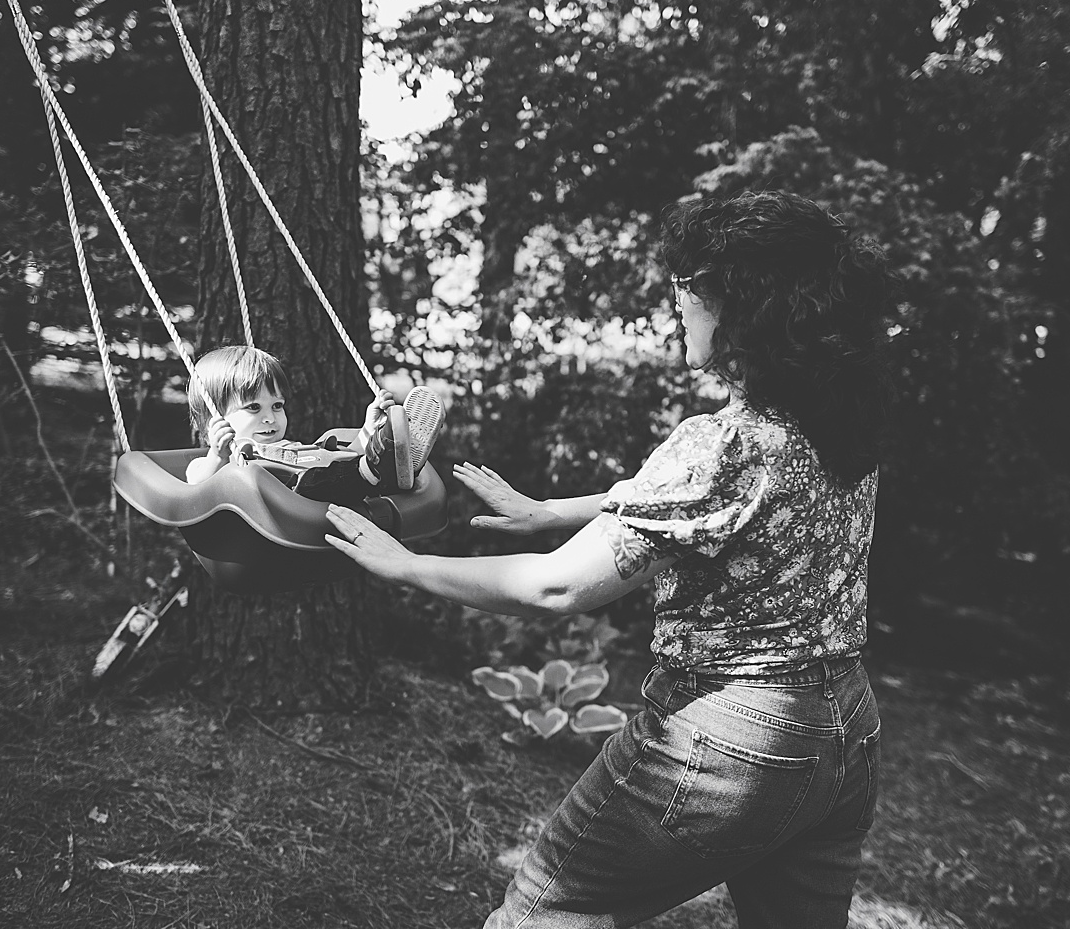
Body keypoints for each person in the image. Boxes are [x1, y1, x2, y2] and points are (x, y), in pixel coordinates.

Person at [324, 191, 894, 929]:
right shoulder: (836, 422)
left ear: (743, 305)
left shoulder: (720, 443)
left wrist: (404, 565)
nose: (676, 299)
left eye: (689, 283)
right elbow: (710, 507)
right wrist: (552, 511)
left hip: (732, 738)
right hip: (845, 730)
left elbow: (556, 585)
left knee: (541, 917)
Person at [184, 345, 444, 506]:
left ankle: (390, 463)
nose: (270, 418)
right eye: (254, 407)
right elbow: (195, 485)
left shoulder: (292, 449)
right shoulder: (226, 460)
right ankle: (381, 467)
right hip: (291, 506)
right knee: (311, 482)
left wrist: (367, 427)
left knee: (332, 461)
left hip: (336, 489)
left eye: (277, 406)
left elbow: (341, 458)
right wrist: (217, 456)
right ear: (214, 419)